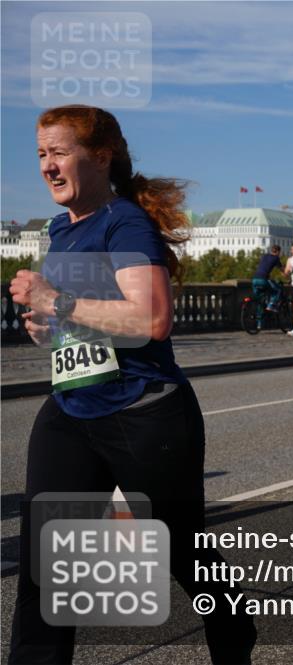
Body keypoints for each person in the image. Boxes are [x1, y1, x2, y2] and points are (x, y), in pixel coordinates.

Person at [8, 104, 255, 664]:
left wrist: (56, 300)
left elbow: (151, 319)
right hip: (72, 407)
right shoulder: (60, 228)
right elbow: (84, 318)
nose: (47, 166)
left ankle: (232, 631)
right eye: (41, 154)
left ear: (101, 157)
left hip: (142, 412)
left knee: (181, 548)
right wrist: (47, 327)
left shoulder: (124, 223)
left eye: (60, 152)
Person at [251, 243, 283, 311]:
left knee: (259, 300)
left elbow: (264, 267)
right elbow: (282, 269)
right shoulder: (276, 258)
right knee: (276, 291)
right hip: (263, 280)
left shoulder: (264, 256)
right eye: (279, 253)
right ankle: (271, 305)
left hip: (254, 279)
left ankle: (259, 316)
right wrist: (287, 274)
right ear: (278, 252)